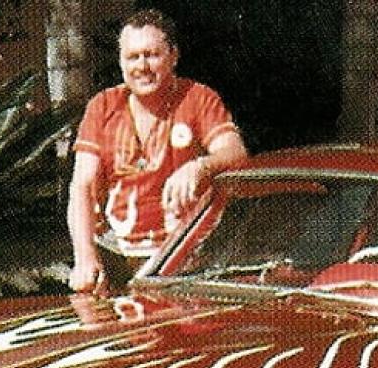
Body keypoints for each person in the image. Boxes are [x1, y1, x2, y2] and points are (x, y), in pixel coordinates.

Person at [67, 9, 248, 294]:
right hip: (115, 256)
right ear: (121, 61)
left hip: (182, 257)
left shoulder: (198, 98)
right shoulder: (102, 106)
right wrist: (85, 256)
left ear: (174, 56)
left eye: (152, 55)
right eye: (133, 57)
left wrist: (200, 166)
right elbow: (82, 185)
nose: (142, 66)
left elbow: (235, 152)